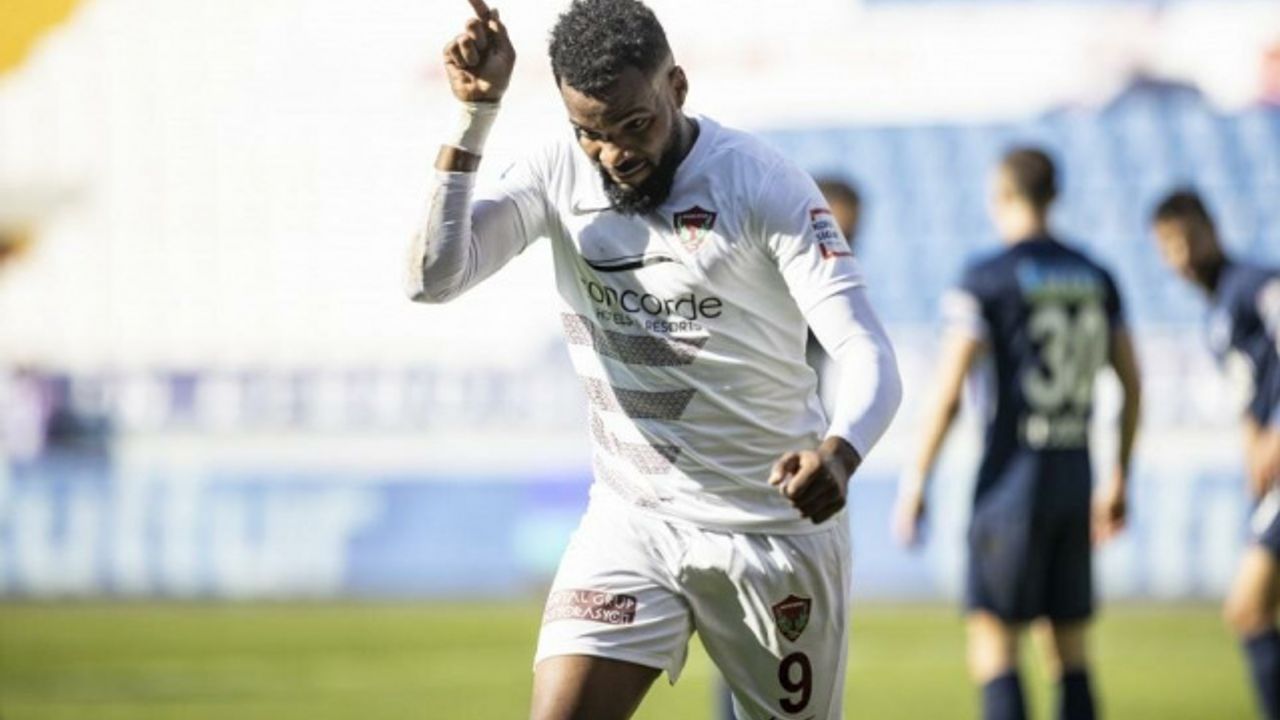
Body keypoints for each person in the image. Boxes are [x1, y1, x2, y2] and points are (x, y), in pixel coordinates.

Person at [408, 1, 902, 717]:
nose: (614, 154)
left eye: (634, 125)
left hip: (769, 528)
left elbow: (864, 347)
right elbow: (433, 278)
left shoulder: (761, 182)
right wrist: (474, 115)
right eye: (591, 132)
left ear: (677, 86)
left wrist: (841, 453)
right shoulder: (556, 173)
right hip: (632, 517)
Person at [893, 147, 1141, 720]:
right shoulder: (1096, 276)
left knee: (994, 643)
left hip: (1010, 489)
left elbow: (950, 392)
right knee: (1071, 651)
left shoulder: (987, 279)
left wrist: (917, 480)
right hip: (1074, 481)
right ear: (1053, 194)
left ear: (1002, 194)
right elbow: (1132, 384)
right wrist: (1118, 475)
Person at [1151, 189, 1280, 720]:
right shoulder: (1218, 310)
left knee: (1247, 608)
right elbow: (1252, 392)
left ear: (1211, 229)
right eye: (1167, 247)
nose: (1180, 257)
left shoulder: (1255, 285)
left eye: (1186, 241)